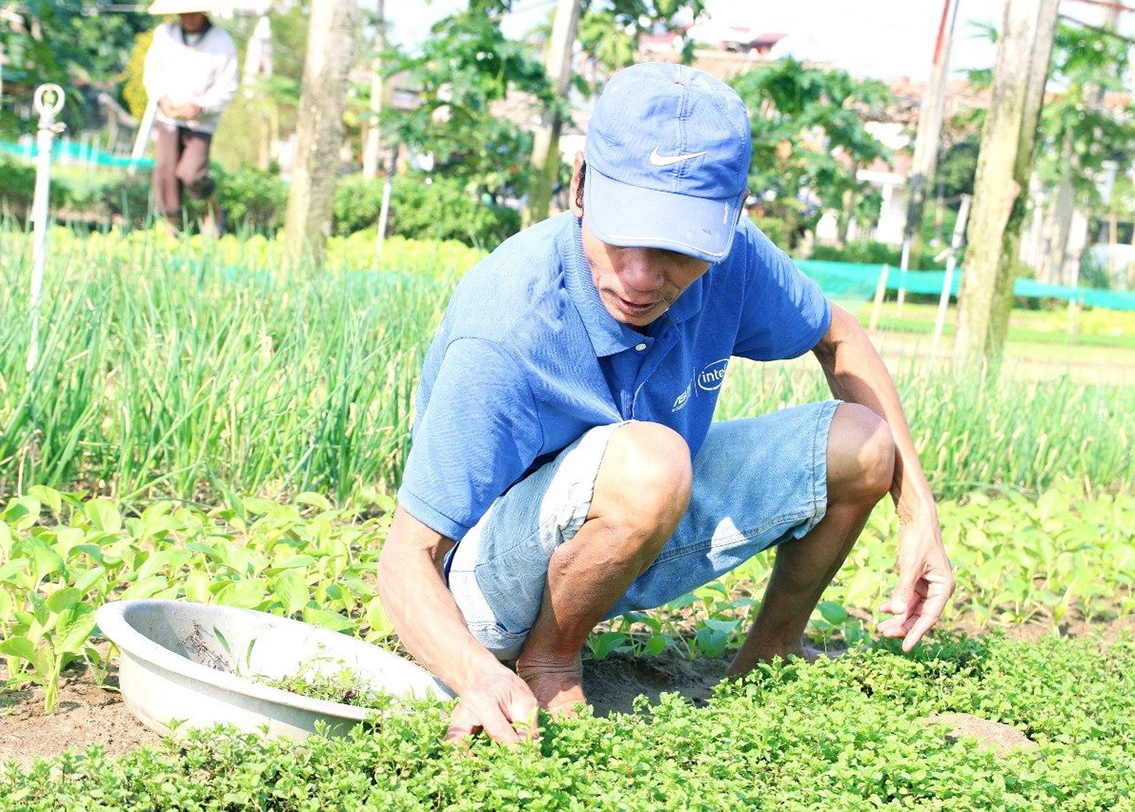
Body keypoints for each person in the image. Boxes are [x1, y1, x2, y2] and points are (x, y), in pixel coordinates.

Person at [377, 62, 955, 746]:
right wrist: (475, 673)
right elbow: (405, 561)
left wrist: (917, 510)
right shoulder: (508, 327)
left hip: (634, 524)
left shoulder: (734, 260)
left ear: (730, 219)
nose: (642, 278)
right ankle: (546, 664)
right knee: (653, 461)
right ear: (580, 185)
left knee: (864, 443)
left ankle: (763, 664)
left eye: (678, 248)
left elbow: (840, 336)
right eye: (623, 236)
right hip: (484, 588)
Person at [142, 0, 238, 236]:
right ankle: (172, 226)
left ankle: (213, 210)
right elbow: (152, 72)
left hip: (201, 122)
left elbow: (228, 86)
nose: (188, 17)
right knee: (165, 170)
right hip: (169, 117)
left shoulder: (222, 42)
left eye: (192, 12)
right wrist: (161, 98)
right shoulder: (165, 34)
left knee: (192, 173)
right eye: (183, 12)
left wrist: (201, 106)